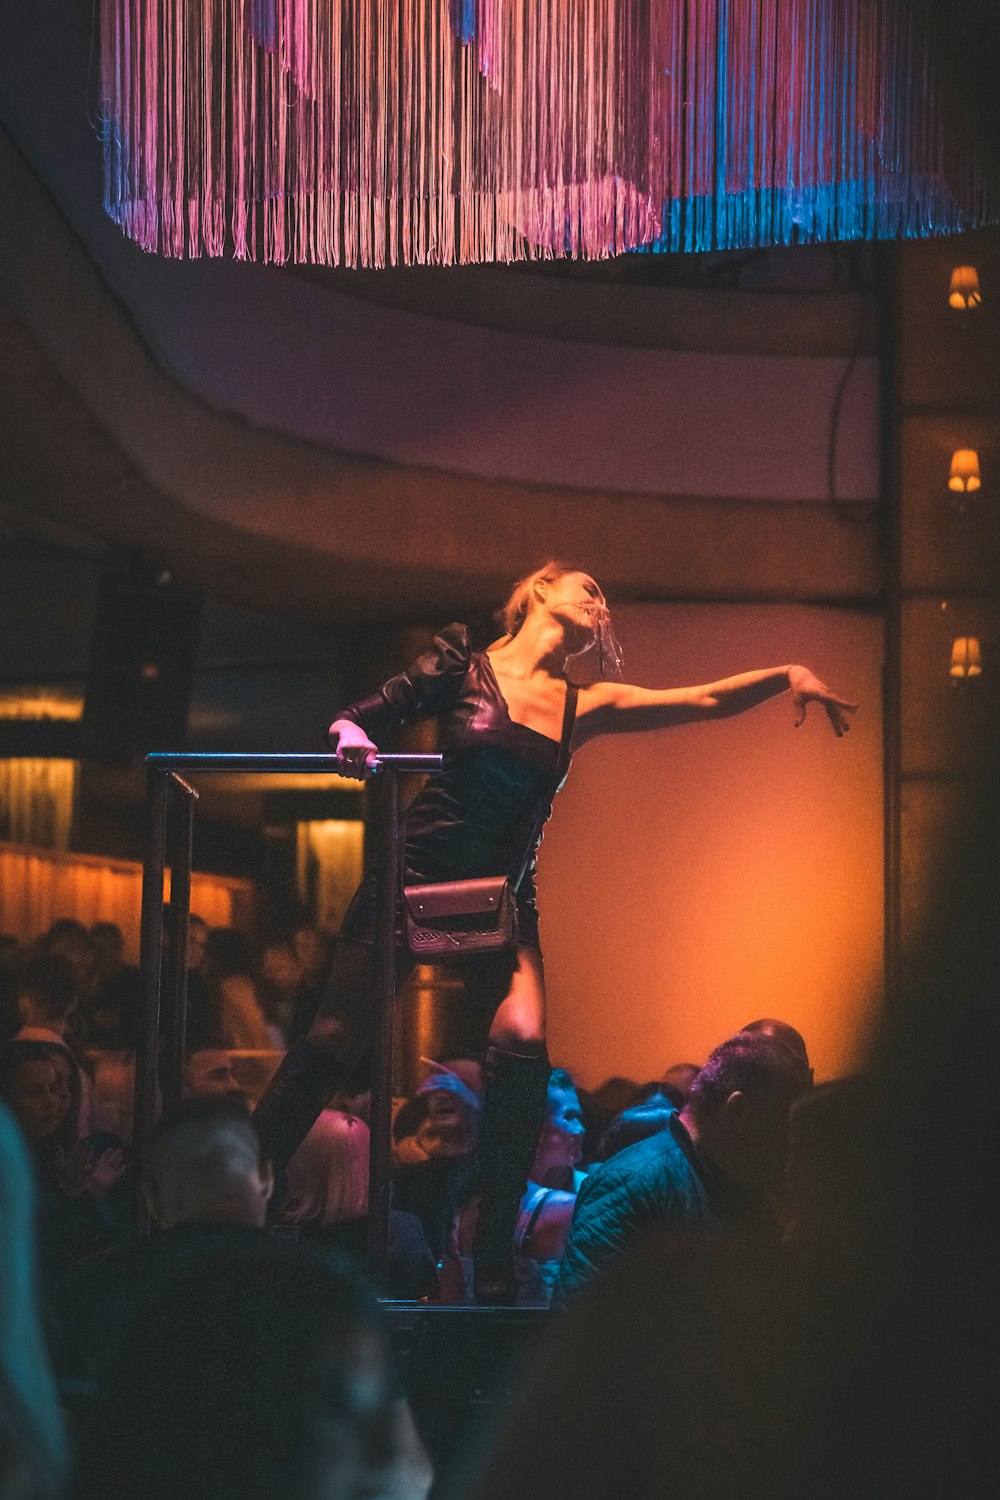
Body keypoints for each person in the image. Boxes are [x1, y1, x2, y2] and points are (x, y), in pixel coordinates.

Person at [253, 561, 856, 1302]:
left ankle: (490, 1232)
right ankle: (244, 1178)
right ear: (540, 590)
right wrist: (348, 734)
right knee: (335, 1041)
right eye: (588, 587)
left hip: (504, 894)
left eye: (604, 597)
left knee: (525, 1043)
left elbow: (696, 697)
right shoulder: (462, 662)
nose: (599, 603)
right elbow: (367, 712)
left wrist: (788, 672)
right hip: (415, 873)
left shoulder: (582, 704)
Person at [554, 1030, 811, 1305]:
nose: (786, 1144)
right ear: (739, 1109)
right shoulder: (630, 1181)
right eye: (781, 1125)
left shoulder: (746, 1186)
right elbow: (582, 1320)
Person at [281, 1108, 438, 1300]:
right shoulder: (404, 1229)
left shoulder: (293, 1236)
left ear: (311, 1167)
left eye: (296, 1157)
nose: (289, 1165)